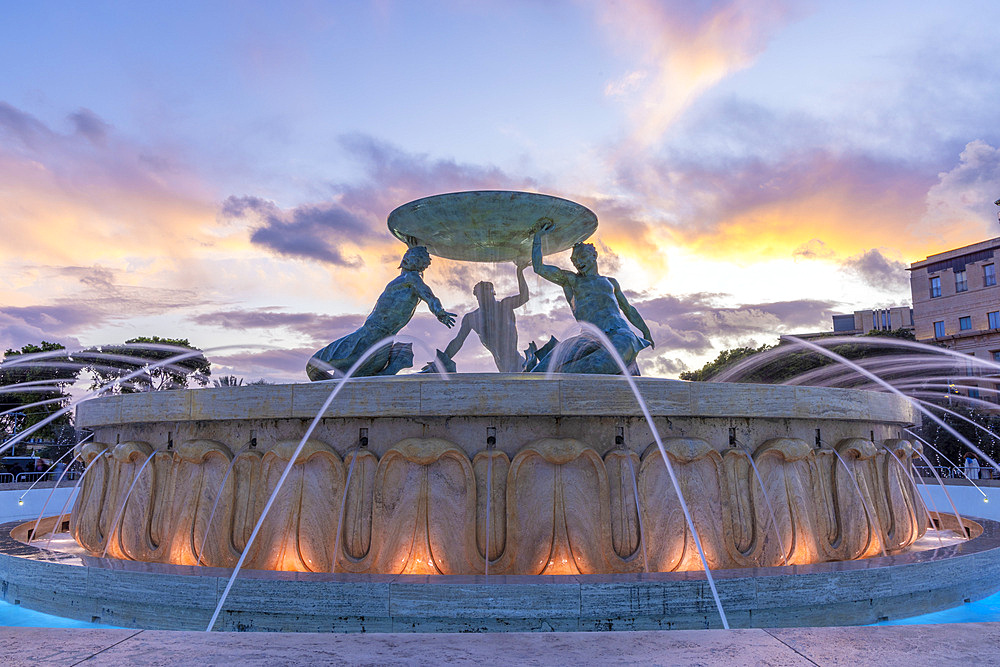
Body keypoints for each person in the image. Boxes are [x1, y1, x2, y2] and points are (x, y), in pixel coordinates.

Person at [306, 246, 456, 380]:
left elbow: (429, 296)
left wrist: (439, 312)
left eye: (418, 261)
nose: (409, 261)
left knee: (315, 366)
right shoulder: (406, 278)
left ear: (421, 266)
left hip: (371, 334)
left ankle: (405, 365)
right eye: (411, 257)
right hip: (374, 335)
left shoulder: (412, 278)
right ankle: (410, 366)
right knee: (355, 378)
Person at [530, 223, 653, 374]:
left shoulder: (611, 282)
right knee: (545, 366)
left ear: (594, 255)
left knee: (605, 360)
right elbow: (539, 267)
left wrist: (646, 332)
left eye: (582, 257)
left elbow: (628, 309)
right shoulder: (572, 280)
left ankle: (561, 376)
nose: (578, 263)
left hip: (619, 332)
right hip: (588, 337)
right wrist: (538, 237)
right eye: (574, 261)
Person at [429, 260, 530, 373]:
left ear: (493, 293)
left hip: (519, 364)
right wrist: (441, 363)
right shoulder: (472, 318)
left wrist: (519, 272)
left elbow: (524, 297)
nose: (487, 296)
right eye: (483, 293)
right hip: (502, 367)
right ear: (477, 297)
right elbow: (458, 342)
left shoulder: (505, 306)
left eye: (489, 292)